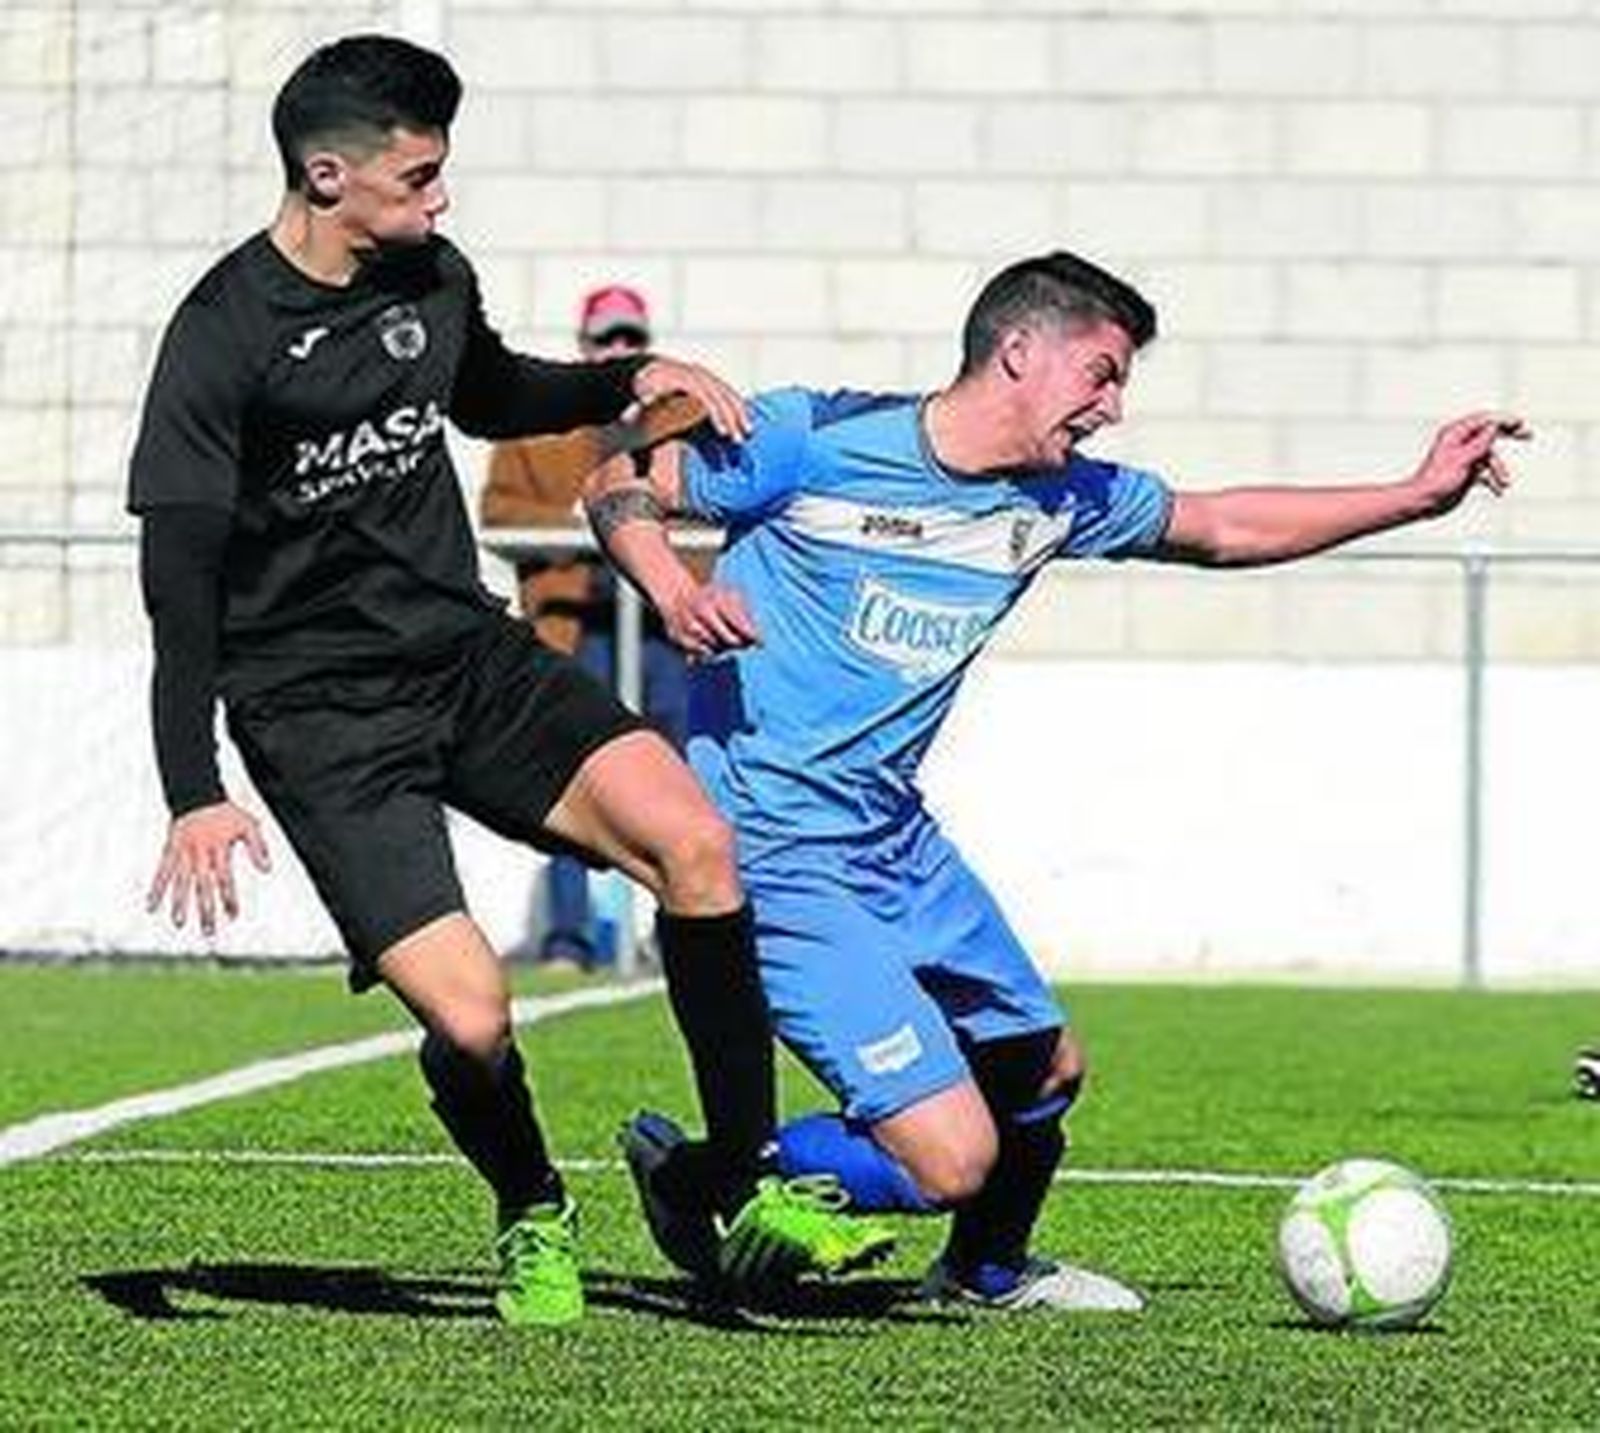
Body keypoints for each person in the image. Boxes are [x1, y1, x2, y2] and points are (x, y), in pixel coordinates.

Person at [583, 250, 1529, 1312]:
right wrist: (670, 583)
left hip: (893, 839)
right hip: (770, 846)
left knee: (1042, 1068)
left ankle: (983, 1272)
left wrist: (1411, 495)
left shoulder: (1058, 498)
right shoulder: (815, 438)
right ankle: (702, 1178)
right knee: (948, 1158)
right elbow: (613, 474)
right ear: (1019, 350)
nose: (1112, 407)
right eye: (1102, 373)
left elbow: (1219, 526)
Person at [127, 33, 885, 1328]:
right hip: (318, 717)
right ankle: (531, 1203)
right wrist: (192, 784)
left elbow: (486, 393)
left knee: (697, 846)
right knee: (473, 1019)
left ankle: (737, 1177)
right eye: (418, 176)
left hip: (469, 658)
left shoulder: (429, 273)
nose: (440, 199)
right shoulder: (221, 336)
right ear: (326, 176)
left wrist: (624, 380)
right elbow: (178, 582)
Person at [481, 286, 701, 968]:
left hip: (669, 630)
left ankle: (684, 933)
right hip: (576, 627)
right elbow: (500, 514)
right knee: (574, 780)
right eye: (605, 339)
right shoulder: (545, 418)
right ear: (583, 346)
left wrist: (647, 537)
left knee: (683, 782)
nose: (617, 350)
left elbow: (725, 510)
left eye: (630, 337)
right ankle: (569, 937)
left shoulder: (686, 417)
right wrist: (584, 526)